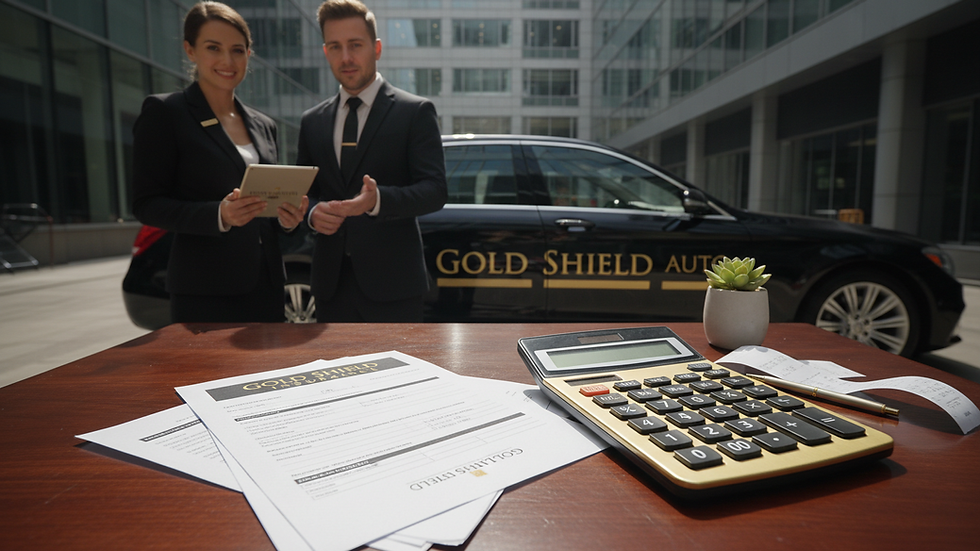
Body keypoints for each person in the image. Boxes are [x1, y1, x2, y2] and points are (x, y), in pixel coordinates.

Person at [131, 1, 308, 323]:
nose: (228, 61)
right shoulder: (166, 113)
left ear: (248, 56)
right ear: (190, 50)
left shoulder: (264, 124)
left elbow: (267, 209)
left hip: (267, 285)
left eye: (238, 50)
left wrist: (286, 217)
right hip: (205, 289)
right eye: (214, 48)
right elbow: (146, 204)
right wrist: (219, 215)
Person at [297, 0, 447, 322]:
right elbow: (306, 194)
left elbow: (435, 190)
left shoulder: (415, 112)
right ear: (325, 52)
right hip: (329, 285)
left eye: (355, 45)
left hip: (394, 287)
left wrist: (377, 200)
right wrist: (311, 214)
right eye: (335, 47)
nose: (346, 57)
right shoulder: (312, 121)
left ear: (376, 48)